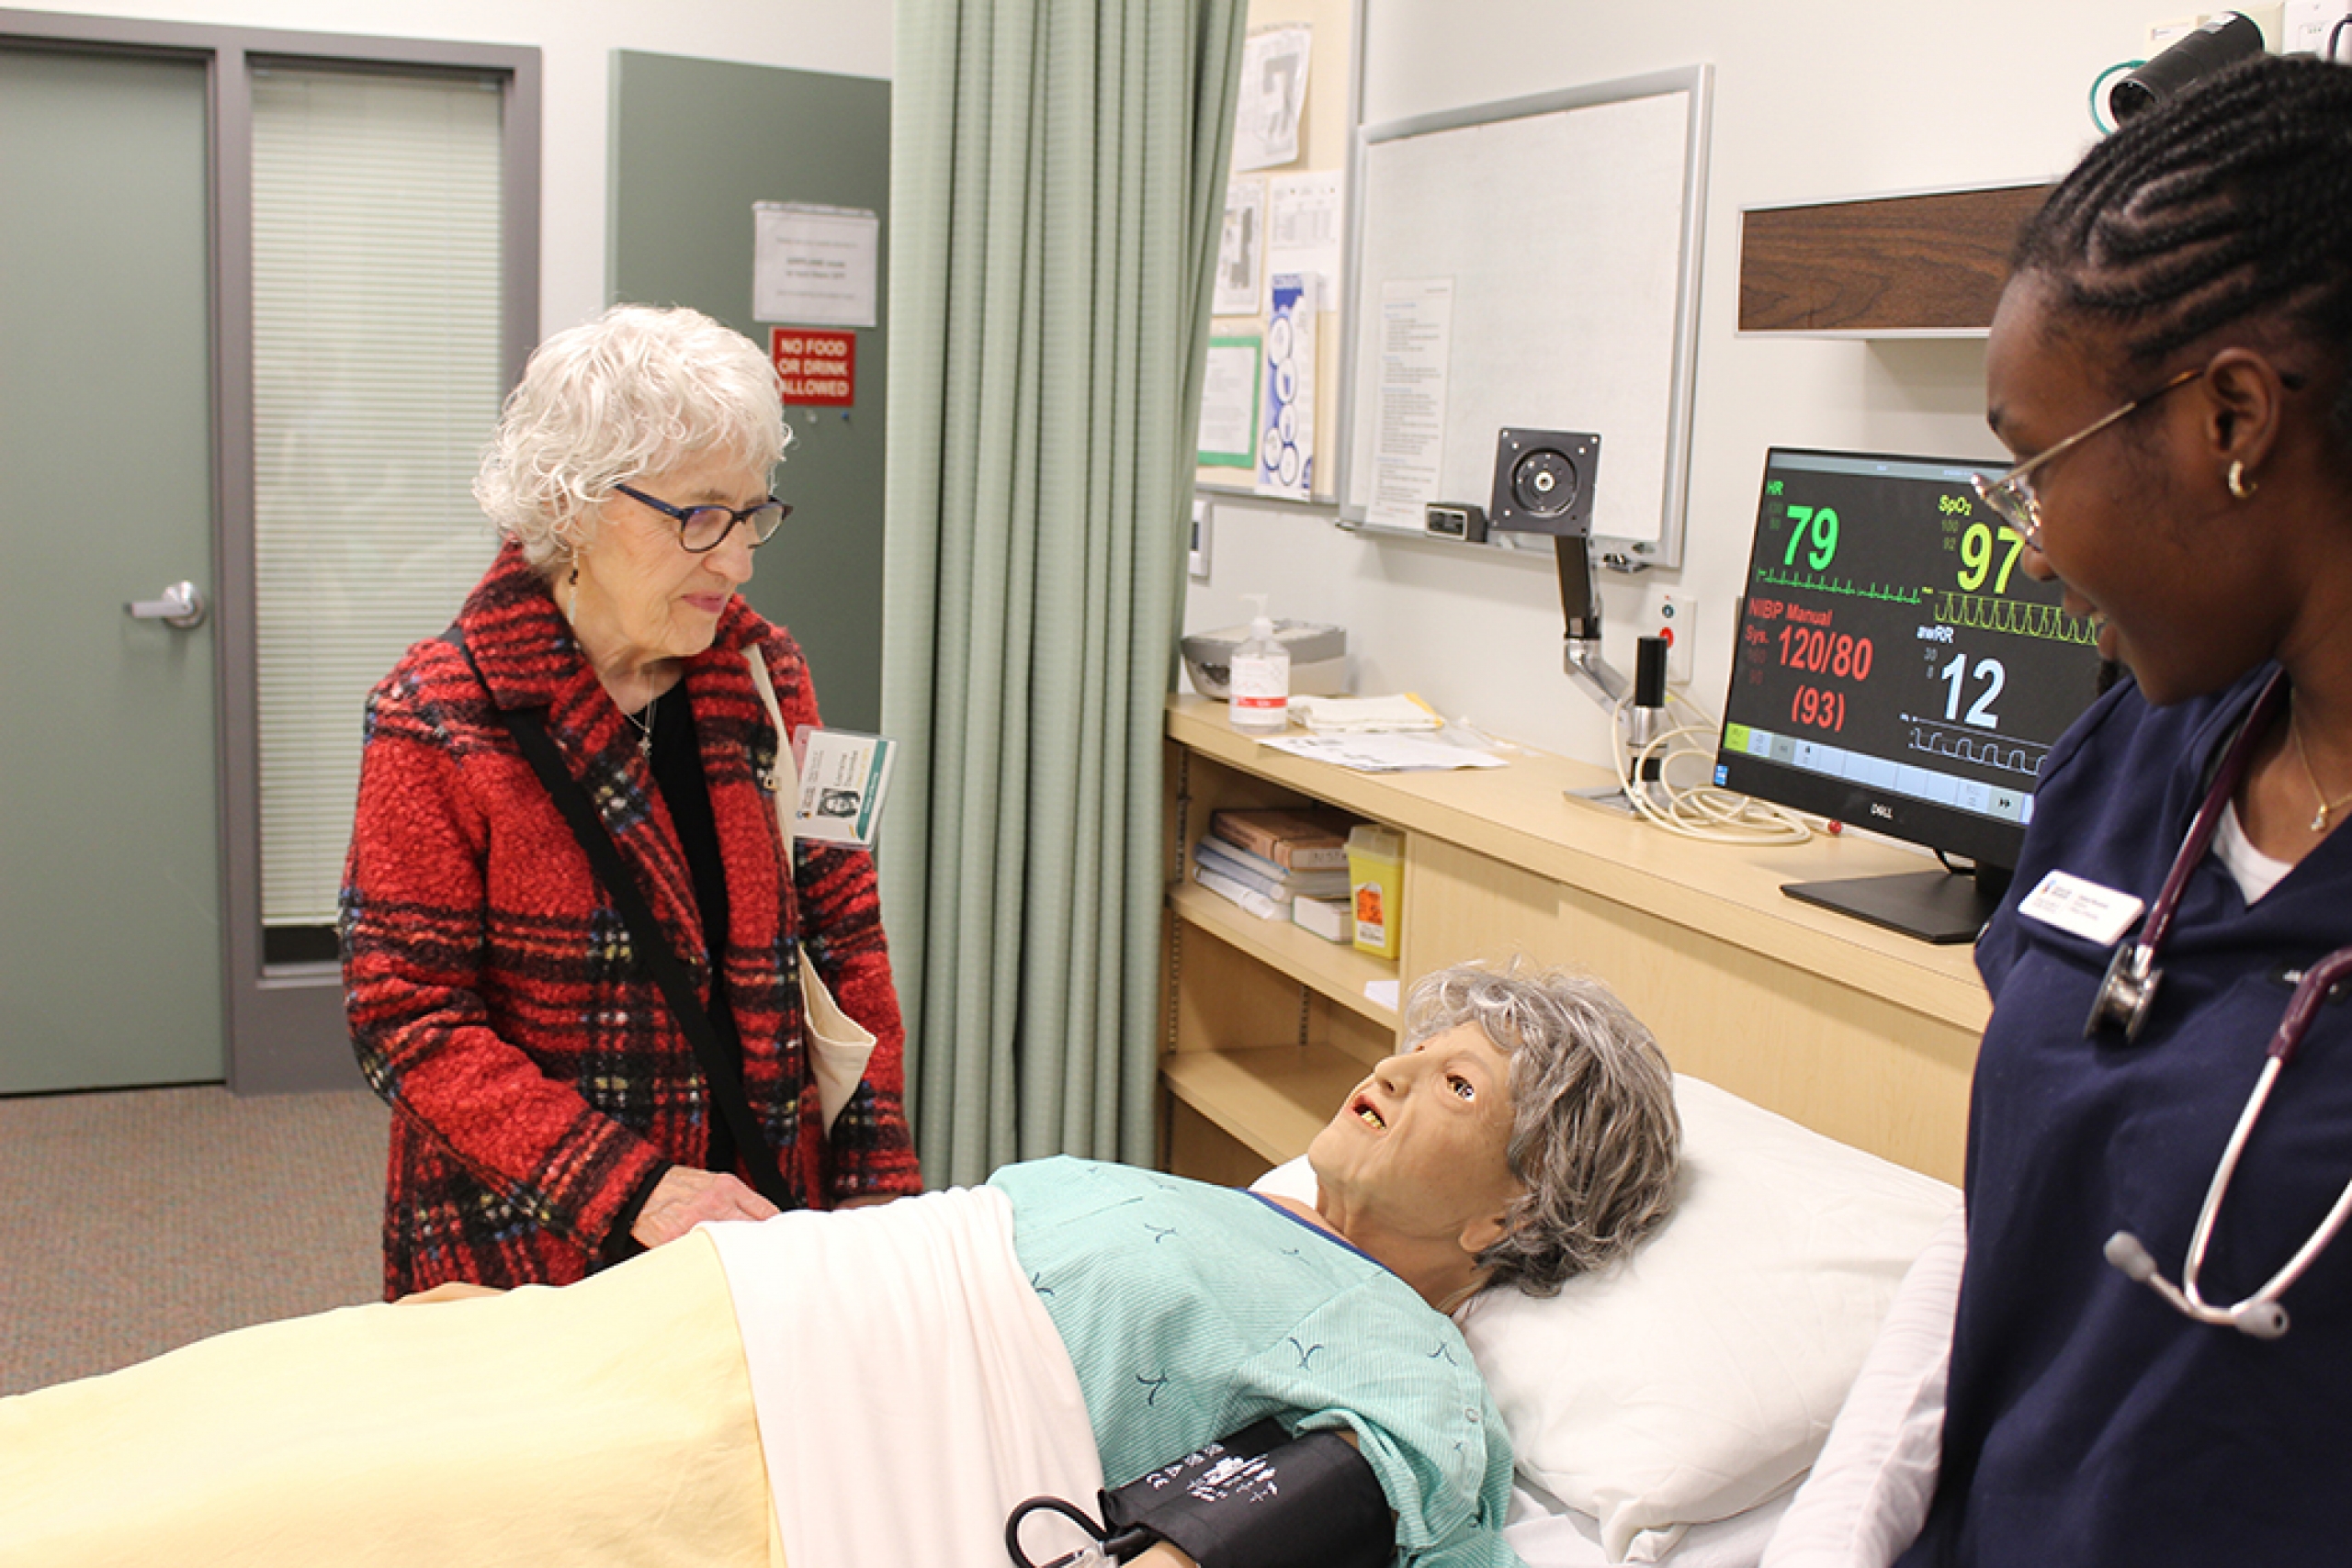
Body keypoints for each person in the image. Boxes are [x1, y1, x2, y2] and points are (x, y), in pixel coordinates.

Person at [0, 962, 1680, 1568]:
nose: (1396, 1067)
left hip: (779, 1449)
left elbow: (1234, 1534)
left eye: (1462, 1084)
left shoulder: (1410, 1382)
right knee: (210, 1407)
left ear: (1515, 1211)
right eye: (1419, 1042)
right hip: (686, 1318)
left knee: (241, 1525)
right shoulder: (1244, 1211)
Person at [1896, 53, 2352, 1566]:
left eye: (2035, 466)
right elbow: (2005, 1236)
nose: (2028, 546)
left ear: (2234, 417)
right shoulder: (2129, 759)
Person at [340, 303, 920, 1299]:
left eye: (752, 515)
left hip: (764, 1215)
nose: (738, 560)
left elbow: (843, 936)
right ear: (570, 505)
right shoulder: (438, 715)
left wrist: (876, 1178)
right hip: (540, 1241)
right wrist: (632, 1187)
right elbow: (408, 1016)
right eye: (699, 516)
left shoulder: (766, 674)